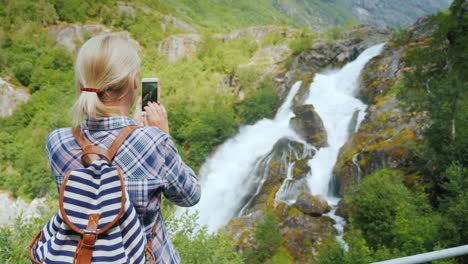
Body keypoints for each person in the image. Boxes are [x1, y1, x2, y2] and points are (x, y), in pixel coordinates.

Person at [45, 33, 201, 263]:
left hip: (85, 255)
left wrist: (135, 131)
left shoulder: (57, 141)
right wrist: (161, 135)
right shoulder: (155, 142)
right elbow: (190, 196)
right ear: (134, 82)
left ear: (82, 84)